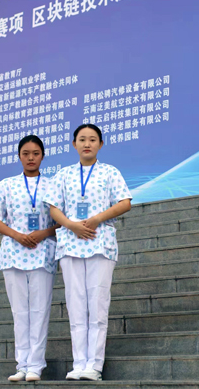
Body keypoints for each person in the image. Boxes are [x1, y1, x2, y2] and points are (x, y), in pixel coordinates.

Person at [42, 123, 132, 381]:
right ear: (74, 144)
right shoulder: (63, 174)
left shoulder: (109, 172)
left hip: (99, 242)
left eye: (93, 139)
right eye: (82, 139)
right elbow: (53, 207)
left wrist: (96, 219)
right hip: (70, 244)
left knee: (98, 303)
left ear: (100, 144)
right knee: (76, 304)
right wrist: (71, 225)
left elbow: (125, 202)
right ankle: (79, 363)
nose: (87, 144)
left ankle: (94, 366)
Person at [0, 134, 60, 382]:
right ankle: (22, 365)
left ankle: (35, 366)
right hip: (13, 253)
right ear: (19, 156)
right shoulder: (6, 185)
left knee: (39, 311)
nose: (30, 158)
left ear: (43, 156)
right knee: (19, 312)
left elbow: (62, 221)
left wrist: (43, 233)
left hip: (43, 252)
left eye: (35, 153)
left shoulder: (53, 185)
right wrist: (16, 235)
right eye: (26, 154)